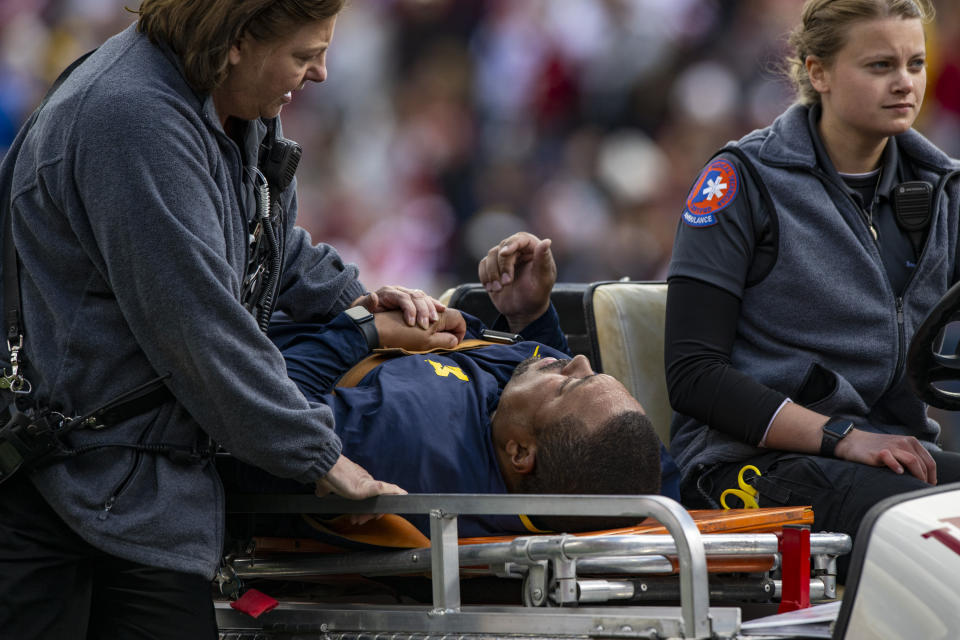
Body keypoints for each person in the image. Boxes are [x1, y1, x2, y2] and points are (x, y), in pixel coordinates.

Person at [0, 2, 456, 638]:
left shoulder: (225, 100)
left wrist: (355, 297)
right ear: (236, 40)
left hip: (134, 498)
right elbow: (195, 324)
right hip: (63, 498)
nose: (322, 72)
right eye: (304, 54)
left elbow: (257, 240)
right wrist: (319, 456)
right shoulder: (131, 116)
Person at [665, 0, 960, 574]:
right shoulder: (740, 181)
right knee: (934, 538)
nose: (905, 83)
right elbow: (693, 374)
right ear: (817, 72)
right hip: (750, 467)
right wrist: (843, 436)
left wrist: (869, 443)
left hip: (894, 456)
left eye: (916, 64)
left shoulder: (944, 188)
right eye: (880, 66)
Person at [224, 232, 676, 538]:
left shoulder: (405, 443)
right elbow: (624, 461)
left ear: (520, 454)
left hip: (229, 331)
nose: (574, 360)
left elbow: (262, 405)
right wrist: (531, 318)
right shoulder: (606, 460)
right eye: (592, 372)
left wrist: (365, 329)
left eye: (568, 385)